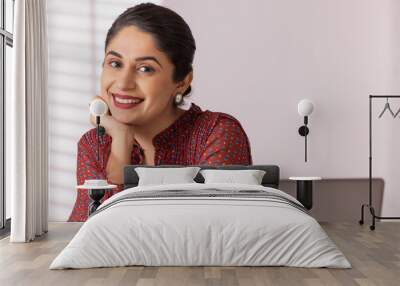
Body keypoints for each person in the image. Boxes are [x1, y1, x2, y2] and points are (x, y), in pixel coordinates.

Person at [68, 3, 252, 222]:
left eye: (145, 68)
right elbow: (89, 230)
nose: (124, 83)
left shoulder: (216, 133)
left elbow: (212, 225)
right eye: (115, 63)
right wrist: (121, 141)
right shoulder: (93, 144)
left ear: (182, 82)